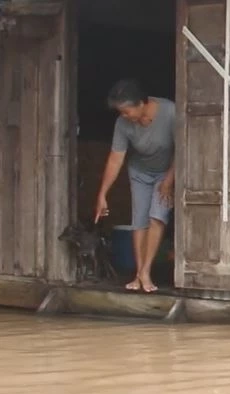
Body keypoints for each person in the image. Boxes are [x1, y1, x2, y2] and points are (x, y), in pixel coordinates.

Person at [94, 79, 176, 293]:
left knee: (157, 215)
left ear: (141, 103)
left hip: (166, 172)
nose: (123, 116)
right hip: (139, 172)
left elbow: (182, 148)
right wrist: (103, 194)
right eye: (120, 112)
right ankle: (139, 273)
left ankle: (145, 271)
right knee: (139, 220)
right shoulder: (123, 124)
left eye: (126, 110)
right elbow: (115, 158)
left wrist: (169, 180)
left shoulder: (169, 112)